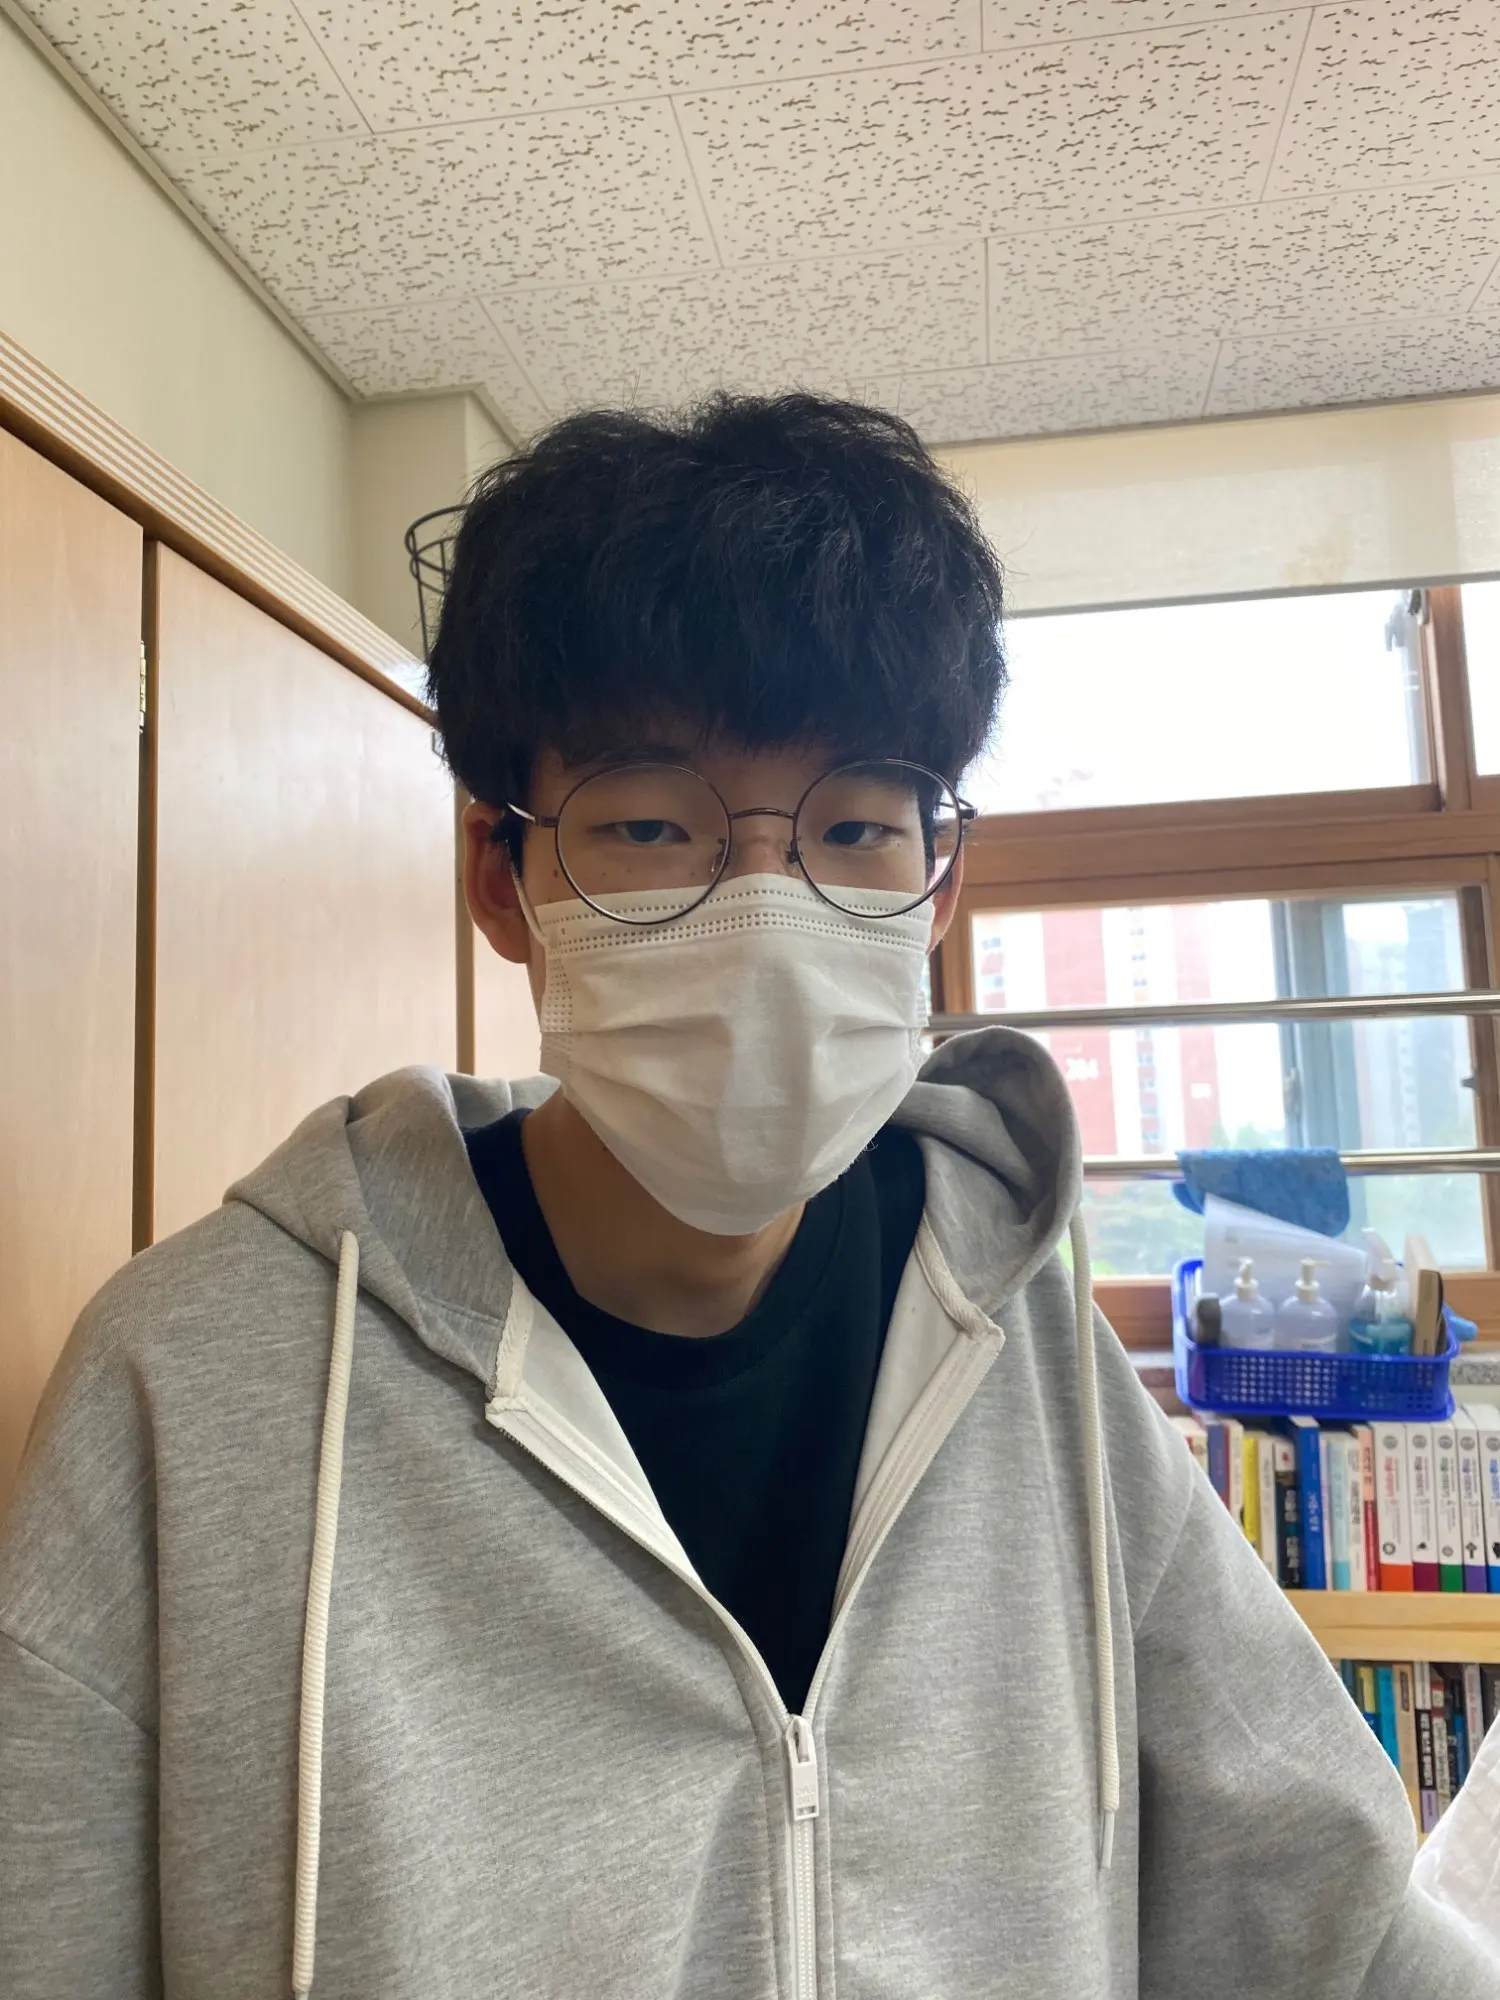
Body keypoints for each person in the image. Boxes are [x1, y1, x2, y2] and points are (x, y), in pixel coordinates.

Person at [0, 394, 1491, 1999]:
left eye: (854, 828)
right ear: (503, 876)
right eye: (653, 826)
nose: (772, 916)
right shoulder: (193, 1379)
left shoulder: (1029, 1355)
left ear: (938, 883)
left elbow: (1336, 1924)